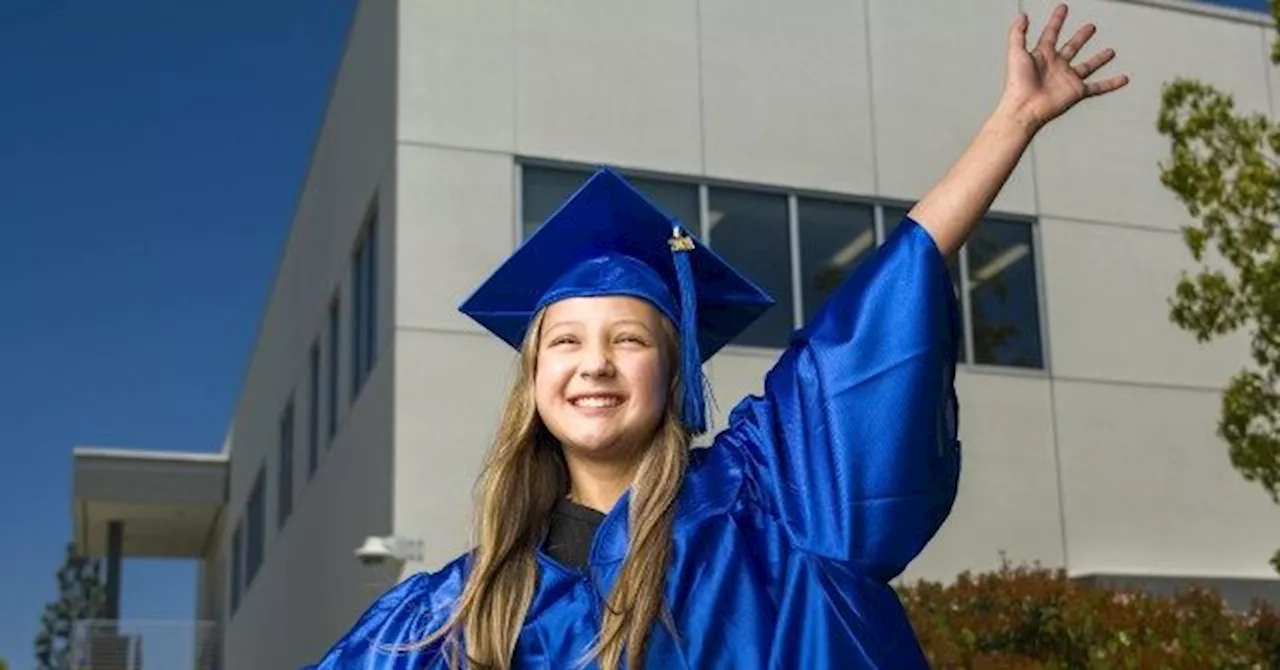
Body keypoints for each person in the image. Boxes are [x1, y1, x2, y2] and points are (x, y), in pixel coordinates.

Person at [306, 5, 1127, 669]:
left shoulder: (773, 501)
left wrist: (1012, 123)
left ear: (677, 370)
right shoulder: (459, 611)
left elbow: (869, 319)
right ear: (532, 381)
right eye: (564, 343)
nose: (594, 362)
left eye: (629, 339)